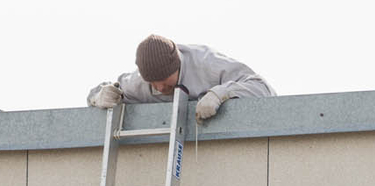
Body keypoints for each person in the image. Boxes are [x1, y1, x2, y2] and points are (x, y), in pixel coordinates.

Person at [87, 34, 273, 123]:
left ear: (177, 65)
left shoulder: (207, 64)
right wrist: (99, 97)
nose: (159, 87)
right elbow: (98, 94)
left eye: (164, 79)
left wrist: (220, 93)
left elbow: (262, 87)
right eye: (152, 82)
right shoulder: (138, 83)